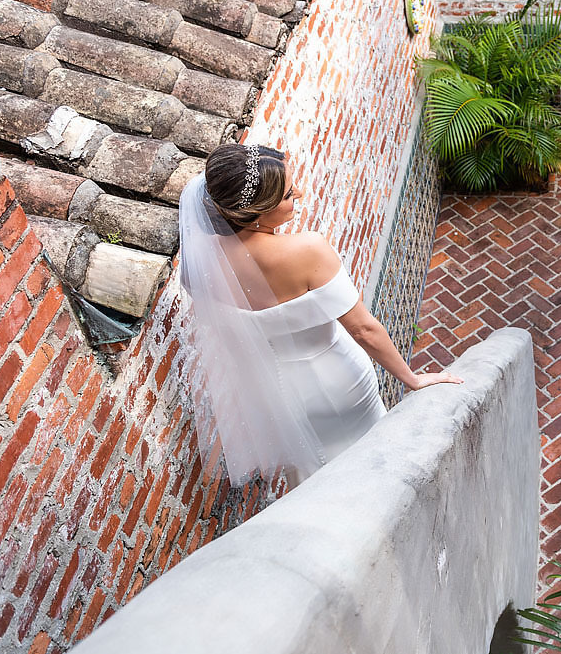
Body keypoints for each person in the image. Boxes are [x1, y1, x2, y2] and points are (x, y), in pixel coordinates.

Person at [177, 142, 462, 486]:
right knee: (376, 468)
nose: (299, 192)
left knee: (315, 484)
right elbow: (364, 330)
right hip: (338, 386)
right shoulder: (306, 249)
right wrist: (413, 380)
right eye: (286, 196)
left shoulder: (201, 265)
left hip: (279, 401)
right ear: (253, 211)